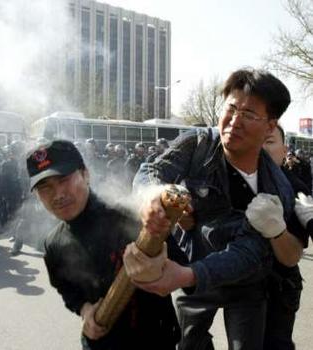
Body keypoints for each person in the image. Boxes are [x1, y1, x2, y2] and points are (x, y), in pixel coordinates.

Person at [123, 68, 295, 350]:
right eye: (231, 108)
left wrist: (186, 275)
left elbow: (248, 253)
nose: (234, 121)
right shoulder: (199, 143)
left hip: (245, 283)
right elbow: (153, 170)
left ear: (269, 127)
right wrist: (153, 195)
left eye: (249, 114)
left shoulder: (277, 190)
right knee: (189, 345)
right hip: (192, 273)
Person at [27, 139, 181, 350]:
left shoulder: (134, 217)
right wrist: (85, 309)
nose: (58, 194)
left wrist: (164, 271)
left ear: (85, 174)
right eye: (45, 188)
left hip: (154, 341)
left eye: (63, 179)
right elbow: (67, 290)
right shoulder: (54, 243)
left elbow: (189, 276)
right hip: (99, 343)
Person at [251, 124, 311, 349]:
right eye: (256, 141)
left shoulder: (295, 189)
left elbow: (291, 257)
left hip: (279, 287)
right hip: (239, 287)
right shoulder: (234, 182)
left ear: (284, 150)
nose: (261, 148)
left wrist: (277, 231)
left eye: (269, 142)